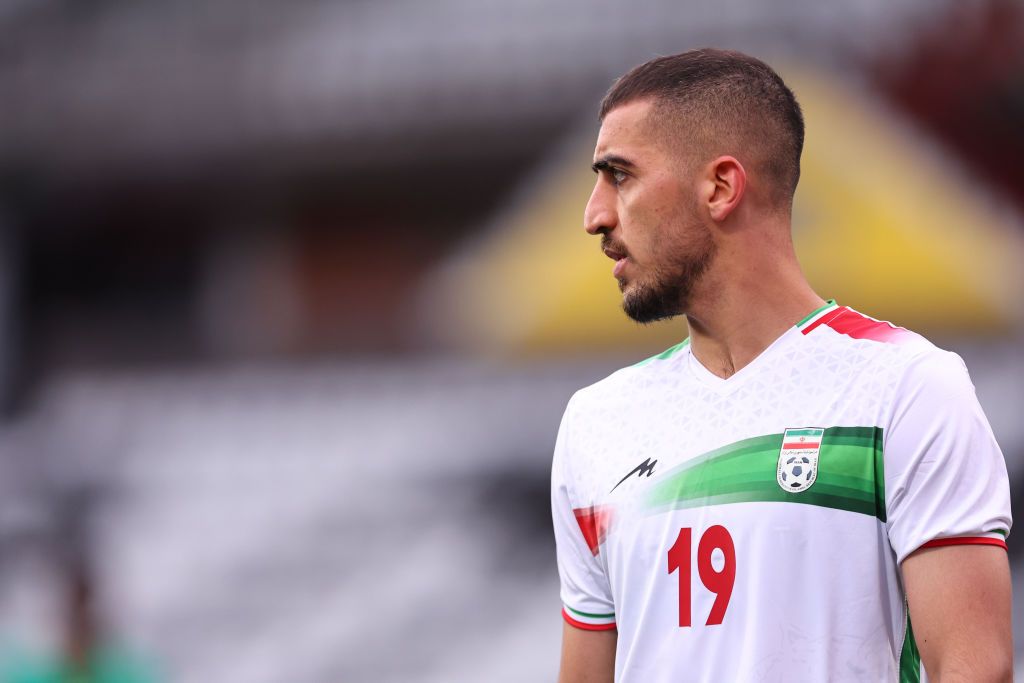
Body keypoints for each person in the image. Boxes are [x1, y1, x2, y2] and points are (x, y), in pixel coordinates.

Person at [551, 48, 1013, 683]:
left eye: (620, 176)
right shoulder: (594, 422)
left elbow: (974, 669)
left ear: (720, 187)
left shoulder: (903, 387)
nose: (593, 215)